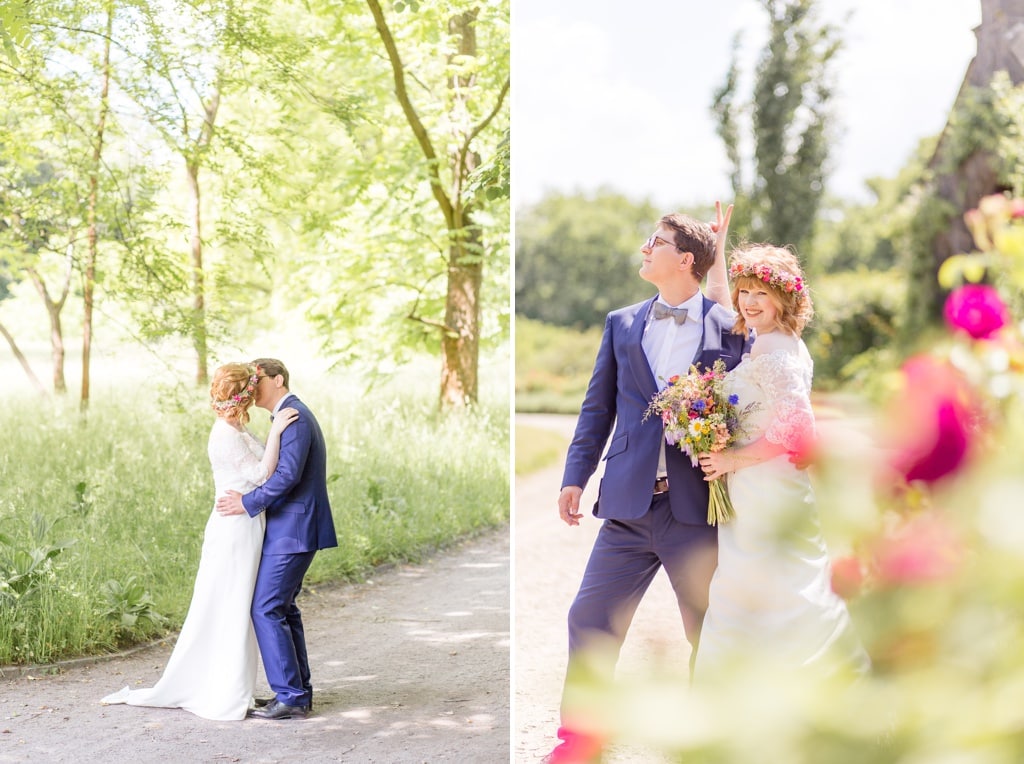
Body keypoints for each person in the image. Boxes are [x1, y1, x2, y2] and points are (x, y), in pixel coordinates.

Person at [546, 203, 750, 762]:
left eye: (654, 242)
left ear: (684, 260)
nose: (644, 249)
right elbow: (597, 408)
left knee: (706, 630)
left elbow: (753, 404)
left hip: (696, 511)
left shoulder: (728, 327)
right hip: (629, 507)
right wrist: (574, 476)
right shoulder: (621, 323)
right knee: (589, 617)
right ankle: (580, 739)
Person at [695, 245, 869, 678]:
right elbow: (718, 299)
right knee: (774, 582)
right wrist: (718, 250)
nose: (748, 303)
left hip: (764, 486)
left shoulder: (771, 348)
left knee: (763, 585)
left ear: (783, 298)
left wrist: (732, 460)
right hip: (765, 483)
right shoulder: (779, 340)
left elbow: (798, 430)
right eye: (744, 292)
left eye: (760, 294)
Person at [101, 363, 299, 721]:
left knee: (239, 604)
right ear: (245, 394)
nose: (256, 394)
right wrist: (277, 434)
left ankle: (234, 684)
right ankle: (224, 690)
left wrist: (273, 435)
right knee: (231, 603)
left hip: (247, 523)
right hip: (234, 528)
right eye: (252, 388)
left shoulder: (236, 426)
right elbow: (259, 474)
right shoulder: (224, 433)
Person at [215, 357, 338, 720]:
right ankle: (298, 691)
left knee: (266, 608)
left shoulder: (295, 418)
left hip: (295, 531)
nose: (252, 387)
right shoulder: (283, 417)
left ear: (278, 380)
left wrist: (246, 503)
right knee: (283, 608)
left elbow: (286, 478)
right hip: (291, 528)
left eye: (258, 379)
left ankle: (291, 695)